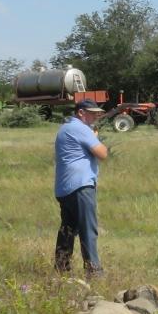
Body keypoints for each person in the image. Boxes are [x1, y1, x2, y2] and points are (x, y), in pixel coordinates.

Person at [54, 99, 109, 276]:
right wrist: (94, 136)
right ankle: (94, 271)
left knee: (68, 229)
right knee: (88, 229)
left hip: (65, 187)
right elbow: (102, 153)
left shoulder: (66, 127)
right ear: (81, 112)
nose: (95, 117)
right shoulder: (80, 128)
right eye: (92, 113)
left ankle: (61, 268)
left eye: (97, 113)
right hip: (81, 185)